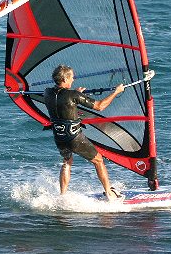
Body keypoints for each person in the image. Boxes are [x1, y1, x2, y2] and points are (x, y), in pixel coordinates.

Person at [42, 64, 125, 201]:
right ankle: (110, 194)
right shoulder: (73, 95)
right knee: (99, 160)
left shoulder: (47, 93)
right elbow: (99, 106)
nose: (73, 80)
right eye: (72, 77)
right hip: (74, 137)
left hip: (59, 136)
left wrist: (76, 94)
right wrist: (116, 92)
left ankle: (62, 196)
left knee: (67, 161)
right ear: (65, 79)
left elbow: (62, 99)